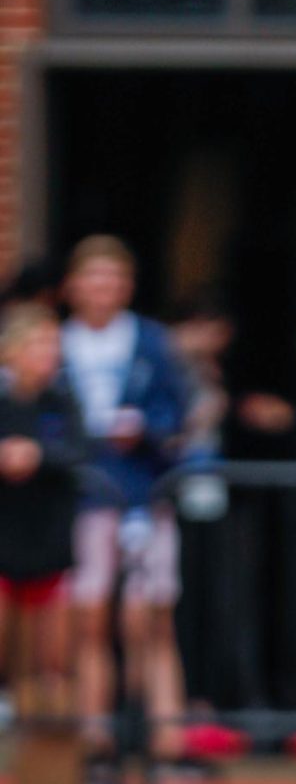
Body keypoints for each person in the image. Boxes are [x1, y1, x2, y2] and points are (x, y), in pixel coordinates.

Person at [60, 235, 191, 783]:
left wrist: (145, 428)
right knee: (89, 620)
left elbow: (179, 410)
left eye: (114, 279)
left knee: (151, 620)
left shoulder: (151, 341)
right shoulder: (58, 344)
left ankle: (165, 739)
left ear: (128, 286)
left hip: (145, 497)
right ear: (74, 287)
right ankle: (98, 739)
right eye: (94, 278)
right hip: (84, 499)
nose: (103, 289)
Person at [0, 304, 87, 719]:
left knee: (49, 657)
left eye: (53, 345)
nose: (47, 354)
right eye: (38, 344)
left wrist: (38, 454)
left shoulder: (63, 400)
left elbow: (80, 452)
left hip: (48, 539)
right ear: (12, 351)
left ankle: (38, 735)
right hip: (4, 535)